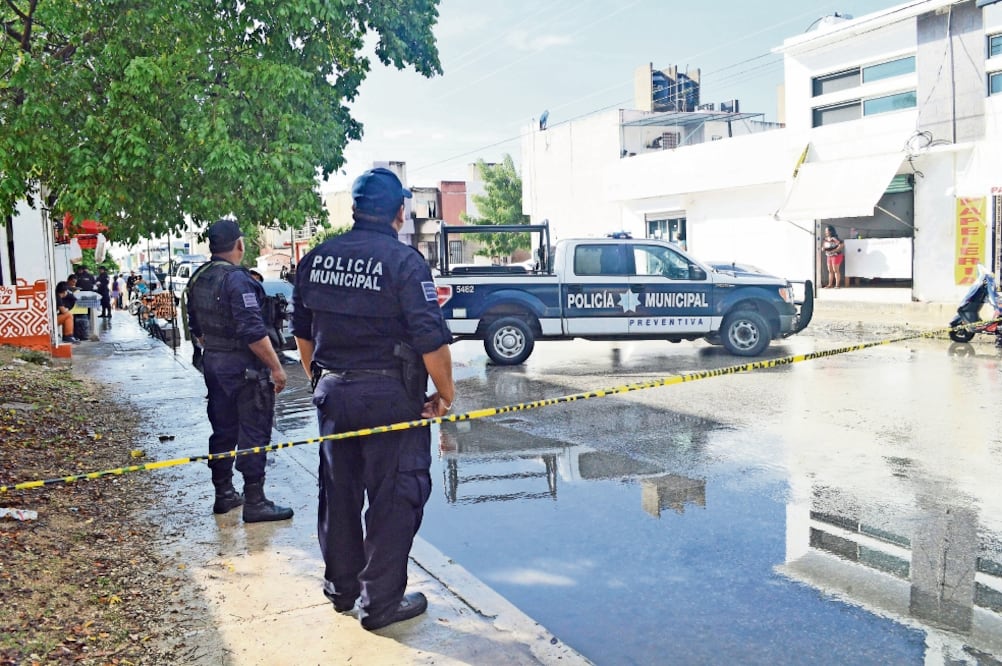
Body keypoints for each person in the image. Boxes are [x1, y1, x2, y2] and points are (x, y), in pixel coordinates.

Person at [292, 167, 455, 631]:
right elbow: (430, 339)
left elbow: (302, 333)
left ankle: (342, 590)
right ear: (399, 212)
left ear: (354, 209)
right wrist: (444, 395)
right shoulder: (404, 262)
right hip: (390, 398)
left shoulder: (317, 258)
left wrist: (321, 380)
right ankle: (379, 604)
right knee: (395, 497)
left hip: (333, 394)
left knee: (338, 492)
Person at [186, 219, 293, 523]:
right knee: (253, 431)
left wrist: (219, 351)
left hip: (215, 363)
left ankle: (224, 495)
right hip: (244, 368)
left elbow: (197, 330)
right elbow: (253, 332)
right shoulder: (238, 280)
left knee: (223, 430)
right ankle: (255, 501)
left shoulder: (199, 278)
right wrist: (276, 368)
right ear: (240, 244)